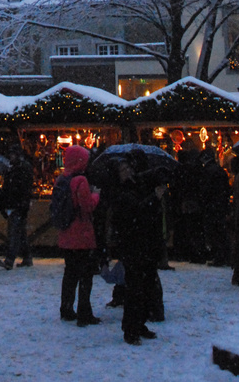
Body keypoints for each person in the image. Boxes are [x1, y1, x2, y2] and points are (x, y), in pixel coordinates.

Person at [112, 158, 169, 345]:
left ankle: (138, 324)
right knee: (135, 289)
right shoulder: (122, 193)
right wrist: (154, 198)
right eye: (123, 169)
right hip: (134, 246)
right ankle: (131, 329)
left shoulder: (136, 185)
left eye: (128, 167)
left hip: (145, 245)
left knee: (145, 287)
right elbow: (136, 214)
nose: (127, 171)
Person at [56, 144, 101, 326]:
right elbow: (87, 206)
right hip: (81, 234)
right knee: (86, 275)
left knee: (70, 274)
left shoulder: (62, 179)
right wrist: (96, 195)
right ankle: (84, 312)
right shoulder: (80, 180)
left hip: (66, 234)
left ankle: (66, 308)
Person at [0, 143, 34, 270]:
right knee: (20, 232)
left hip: (17, 204)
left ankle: (9, 260)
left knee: (14, 232)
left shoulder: (19, 169)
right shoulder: (17, 168)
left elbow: (21, 188)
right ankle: (27, 257)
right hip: (17, 204)